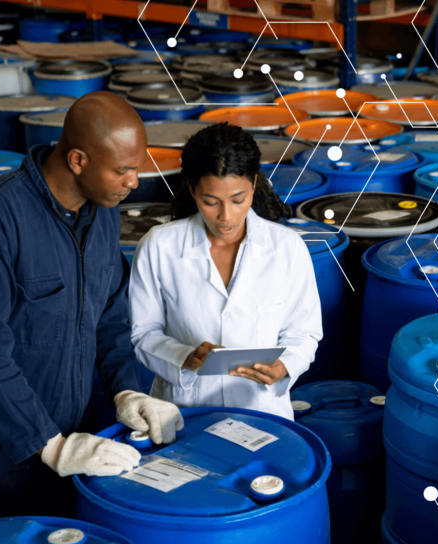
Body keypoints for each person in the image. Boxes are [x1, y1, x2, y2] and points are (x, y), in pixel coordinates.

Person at [0, 91, 183, 522]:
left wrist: (126, 391)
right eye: (122, 170)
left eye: (137, 168)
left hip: (82, 442)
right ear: (77, 160)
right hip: (0, 458)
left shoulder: (102, 212)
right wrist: (51, 445)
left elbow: (110, 317)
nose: (133, 182)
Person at [128, 122, 323, 420]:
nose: (226, 216)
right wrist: (185, 357)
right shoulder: (159, 246)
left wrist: (285, 366)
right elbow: (143, 332)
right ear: (192, 189)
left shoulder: (287, 247)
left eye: (238, 199)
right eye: (210, 202)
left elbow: (304, 333)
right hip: (183, 410)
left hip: (263, 411)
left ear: (254, 184)